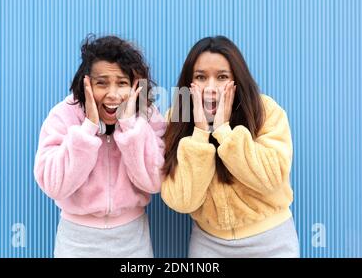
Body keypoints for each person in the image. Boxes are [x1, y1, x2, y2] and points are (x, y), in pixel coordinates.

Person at [161, 36, 300, 258]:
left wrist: (224, 132)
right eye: (200, 77)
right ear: (189, 83)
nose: (211, 88)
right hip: (209, 245)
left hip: (271, 242)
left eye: (222, 77)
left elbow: (271, 178)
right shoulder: (175, 120)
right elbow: (182, 201)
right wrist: (200, 134)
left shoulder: (266, 111)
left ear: (237, 80)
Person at [34, 35, 166, 257]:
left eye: (122, 83)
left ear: (135, 87)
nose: (112, 94)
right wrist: (88, 128)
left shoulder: (148, 117)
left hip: (132, 241)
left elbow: (154, 181)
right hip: (77, 242)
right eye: (101, 83)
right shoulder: (63, 115)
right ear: (85, 84)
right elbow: (53, 186)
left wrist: (130, 126)